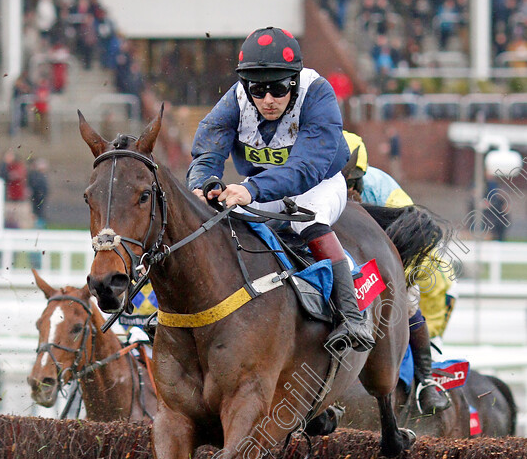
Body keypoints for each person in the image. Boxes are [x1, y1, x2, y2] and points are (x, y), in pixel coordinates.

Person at [186, 26, 374, 353]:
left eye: (277, 88)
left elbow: (305, 169)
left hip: (319, 182)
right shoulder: (236, 99)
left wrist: (252, 189)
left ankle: (350, 313)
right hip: (265, 186)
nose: (268, 100)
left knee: (306, 219)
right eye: (258, 90)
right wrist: (204, 183)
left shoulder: (318, 94)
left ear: (294, 81)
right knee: (219, 221)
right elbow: (207, 150)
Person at [343, 130, 453, 415]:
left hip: (397, 260)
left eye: (350, 184)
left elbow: (418, 244)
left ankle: (426, 382)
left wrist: (397, 282)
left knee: (406, 303)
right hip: (345, 255)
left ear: (361, 177)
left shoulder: (388, 195)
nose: (345, 192)